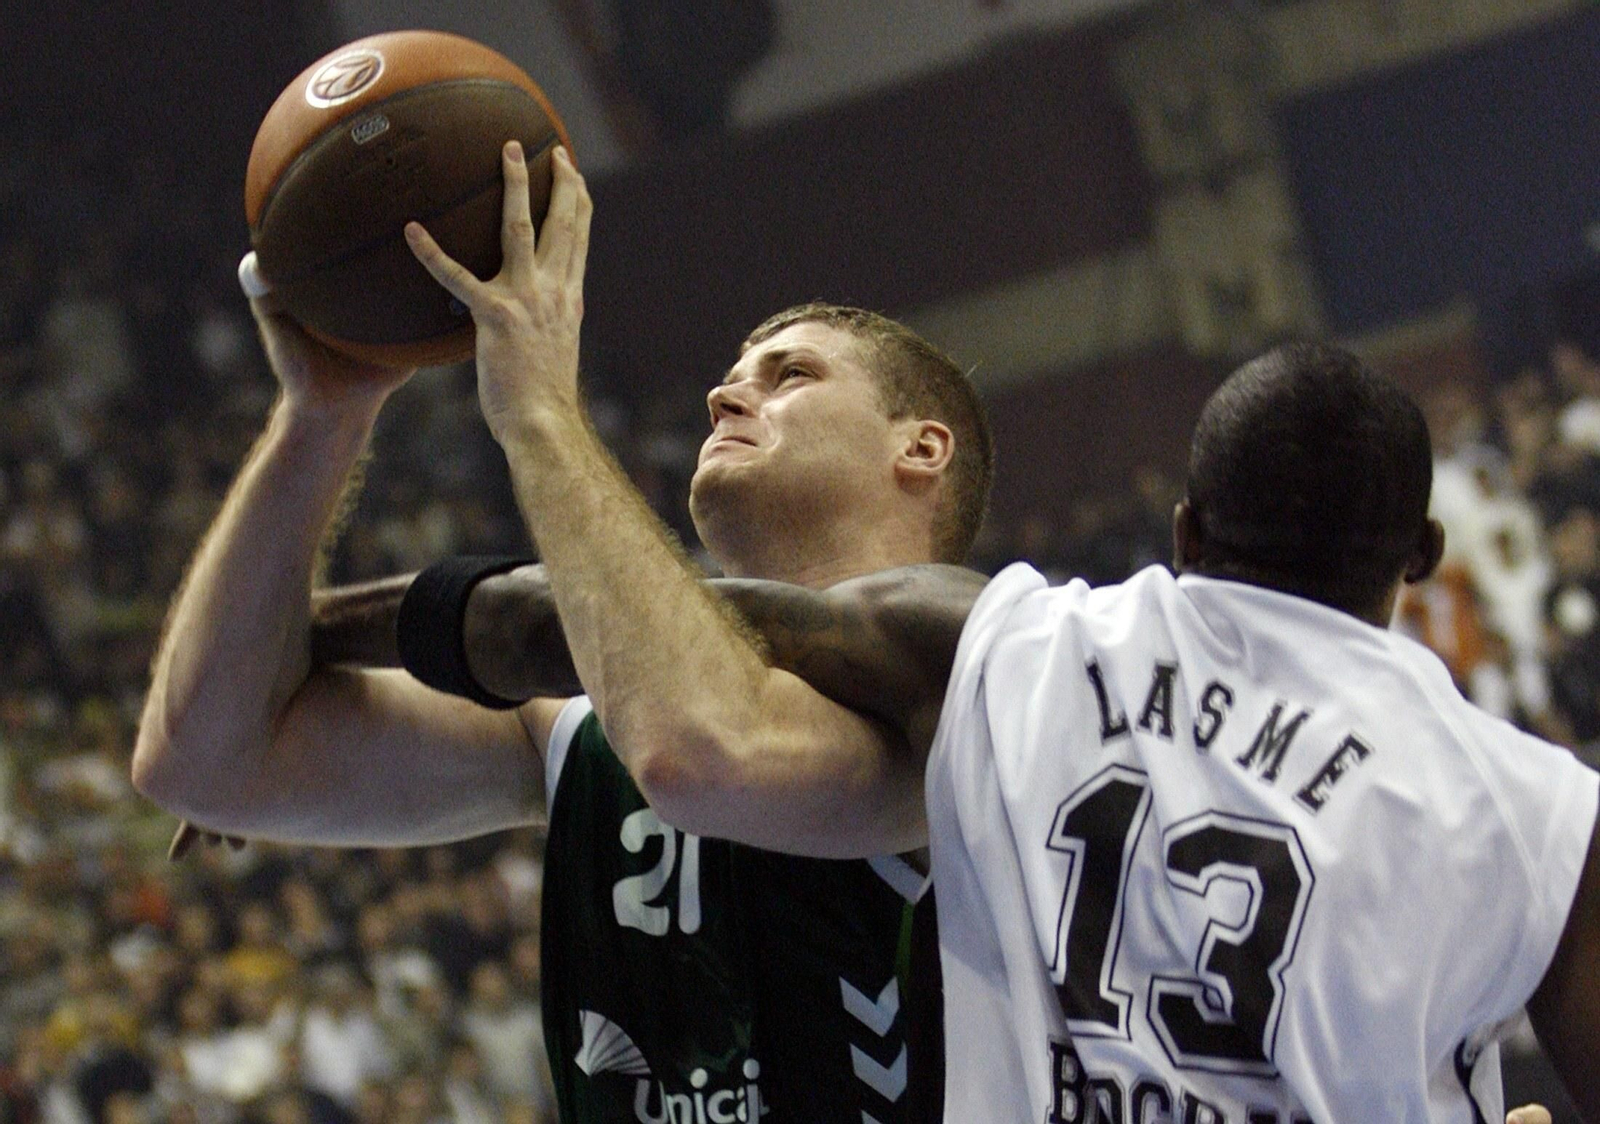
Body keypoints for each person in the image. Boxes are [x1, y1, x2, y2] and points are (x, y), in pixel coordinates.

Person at [387, 315, 1600, 1117]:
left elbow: (645, 627)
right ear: (1421, 553)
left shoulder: (1018, 645)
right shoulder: (1540, 809)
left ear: (1185, 530)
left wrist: (351, 614)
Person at [133, 140, 993, 1122]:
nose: (725, 394)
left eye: (789, 373)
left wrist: (540, 406)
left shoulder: (972, 689)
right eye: (732, 375)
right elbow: (205, 762)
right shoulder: (582, 727)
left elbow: (702, 751)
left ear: (920, 446)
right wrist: (322, 419)